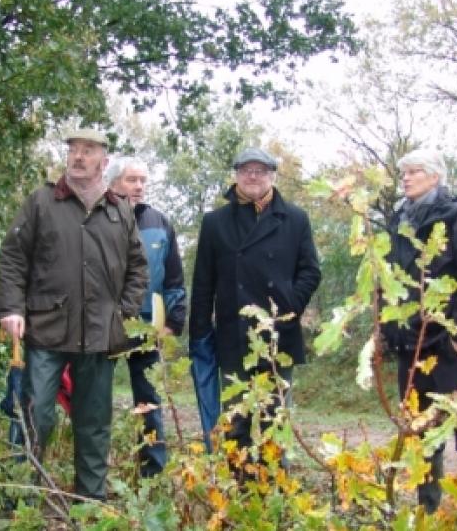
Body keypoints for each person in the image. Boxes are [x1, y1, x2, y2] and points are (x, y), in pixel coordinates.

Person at [0, 128, 148, 500]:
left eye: (89, 151)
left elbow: (138, 269)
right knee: (36, 416)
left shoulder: (120, 210)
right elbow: (13, 258)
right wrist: (11, 308)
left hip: (100, 335)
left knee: (94, 423)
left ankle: (89, 504)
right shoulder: (41, 202)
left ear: (103, 161)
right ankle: (22, 502)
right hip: (46, 329)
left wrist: (122, 315)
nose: (79, 157)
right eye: (74, 150)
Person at [187, 146, 321, 468]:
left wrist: (289, 305)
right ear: (236, 176)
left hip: (279, 336)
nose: (252, 176)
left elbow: (311, 271)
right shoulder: (215, 222)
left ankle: (277, 496)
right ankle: (236, 496)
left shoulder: (295, 218)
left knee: (275, 422)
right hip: (233, 337)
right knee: (235, 423)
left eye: (260, 170)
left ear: (272, 175)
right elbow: (203, 284)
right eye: (246, 170)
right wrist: (200, 336)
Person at [380, 149, 457, 513]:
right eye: (404, 173)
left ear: (435, 176)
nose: (406, 178)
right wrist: (386, 330)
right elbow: (389, 280)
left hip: (446, 347)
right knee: (419, 434)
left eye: (414, 172)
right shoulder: (399, 219)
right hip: (409, 348)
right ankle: (427, 511)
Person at [105, 156, 187, 478]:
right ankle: (98, 468)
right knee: (97, 396)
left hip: (147, 326)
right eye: (131, 179)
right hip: (106, 325)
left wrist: (172, 322)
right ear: (113, 183)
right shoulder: (98, 218)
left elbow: (174, 278)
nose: (139, 186)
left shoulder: (160, 223)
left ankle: (152, 471)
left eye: (143, 180)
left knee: (149, 399)